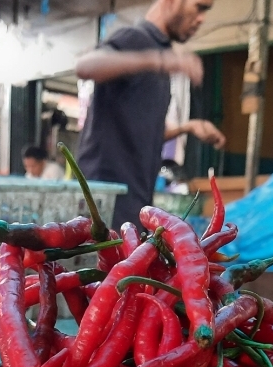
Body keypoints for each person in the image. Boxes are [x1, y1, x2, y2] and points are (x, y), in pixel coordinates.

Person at [76, 0, 226, 230]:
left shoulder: (160, 57)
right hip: (104, 202)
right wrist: (158, 60)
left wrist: (187, 127)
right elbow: (86, 66)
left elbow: (144, 130)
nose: (202, 18)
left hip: (135, 201)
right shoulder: (135, 39)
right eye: (199, 7)